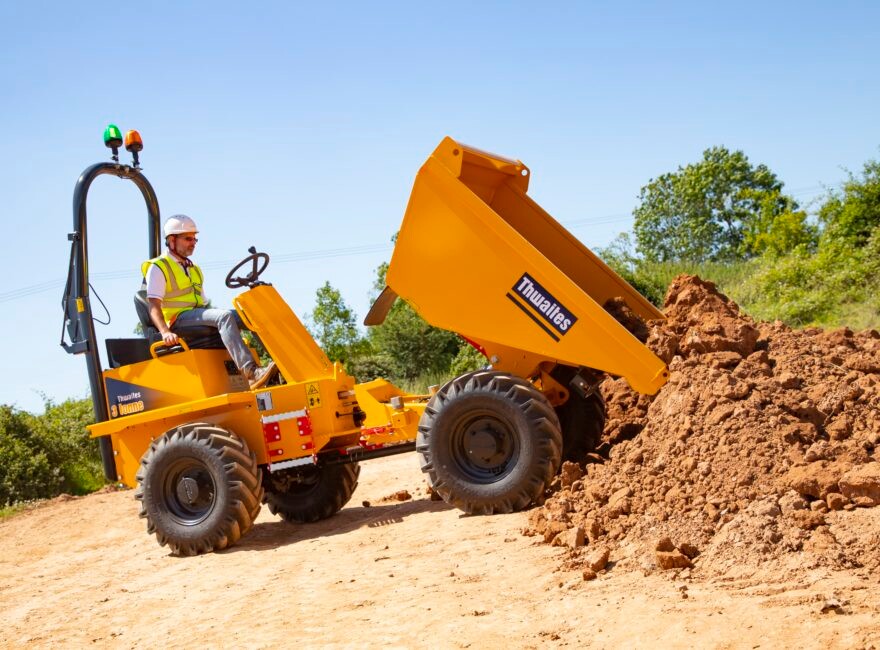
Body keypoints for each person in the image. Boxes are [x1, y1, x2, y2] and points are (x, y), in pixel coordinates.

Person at [142, 214, 277, 389]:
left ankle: (281, 363)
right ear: (172, 240)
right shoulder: (159, 267)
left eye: (195, 239)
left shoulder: (193, 268)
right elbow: (153, 305)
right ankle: (251, 373)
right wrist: (165, 332)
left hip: (197, 315)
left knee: (249, 314)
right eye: (188, 238)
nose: (193, 243)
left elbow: (204, 305)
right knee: (224, 317)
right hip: (178, 320)